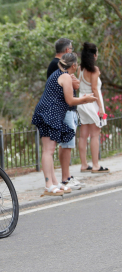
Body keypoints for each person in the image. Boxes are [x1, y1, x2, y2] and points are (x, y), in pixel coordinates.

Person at [32, 53, 97, 196]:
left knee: (50, 149)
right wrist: (85, 99)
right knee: (48, 151)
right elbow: (70, 101)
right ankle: (49, 184)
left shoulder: (59, 74)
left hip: (49, 113)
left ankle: (54, 182)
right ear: (74, 65)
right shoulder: (65, 76)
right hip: (49, 113)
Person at [47, 38, 85, 189]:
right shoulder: (56, 65)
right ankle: (65, 178)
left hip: (66, 109)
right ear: (67, 50)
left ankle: (65, 176)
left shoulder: (58, 65)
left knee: (66, 144)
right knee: (66, 144)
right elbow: (63, 84)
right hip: (64, 108)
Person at [77, 42, 110, 173]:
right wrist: (101, 108)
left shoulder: (80, 69)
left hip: (82, 101)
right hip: (92, 102)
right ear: (94, 55)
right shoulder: (94, 70)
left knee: (83, 135)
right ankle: (96, 165)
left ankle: (84, 164)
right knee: (95, 135)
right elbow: (95, 89)